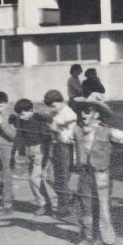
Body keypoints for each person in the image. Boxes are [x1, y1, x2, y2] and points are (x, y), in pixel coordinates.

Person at [71, 93, 123, 245]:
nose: (83, 114)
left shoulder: (106, 131)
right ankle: (85, 234)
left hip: (101, 174)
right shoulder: (77, 130)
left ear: (96, 114)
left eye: (87, 111)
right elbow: (65, 138)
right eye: (81, 111)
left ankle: (99, 236)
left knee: (101, 206)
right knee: (84, 204)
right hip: (84, 173)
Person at [13, 98, 54, 216]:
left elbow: (48, 135)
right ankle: (46, 204)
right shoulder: (21, 122)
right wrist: (16, 151)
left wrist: (47, 155)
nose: (21, 116)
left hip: (39, 150)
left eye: (23, 113)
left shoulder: (38, 120)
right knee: (32, 179)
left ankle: (44, 205)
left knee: (34, 178)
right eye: (19, 114)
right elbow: (19, 136)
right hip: (28, 150)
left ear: (31, 110)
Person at [44, 89, 78, 218]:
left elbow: (69, 137)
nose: (52, 109)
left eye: (54, 105)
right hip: (54, 146)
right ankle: (70, 196)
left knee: (61, 178)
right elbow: (50, 120)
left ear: (61, 101)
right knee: (50, 178)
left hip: (64, 148)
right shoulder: (55, 112)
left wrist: (56, 130)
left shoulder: (70, 115)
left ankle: (63, 209)